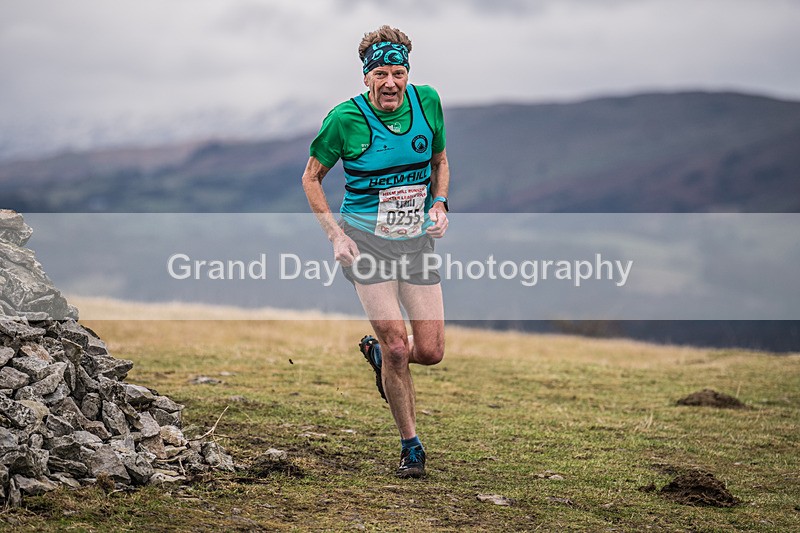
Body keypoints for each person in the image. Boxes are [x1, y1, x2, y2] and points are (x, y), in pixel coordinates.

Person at [301, 25, 450, 478]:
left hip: (415, 242)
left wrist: (439, 204)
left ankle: (381, 357)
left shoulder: (428, 103)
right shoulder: (344, 119)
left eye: (398, 72)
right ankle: (411, 446)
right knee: (399, 346)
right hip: (365, 242)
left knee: (430, 350)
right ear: (366, 77)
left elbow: (440, 161)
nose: (390, 82)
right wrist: (335, 235)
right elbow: (311, 177)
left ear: (409, 73)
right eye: (381, 73)